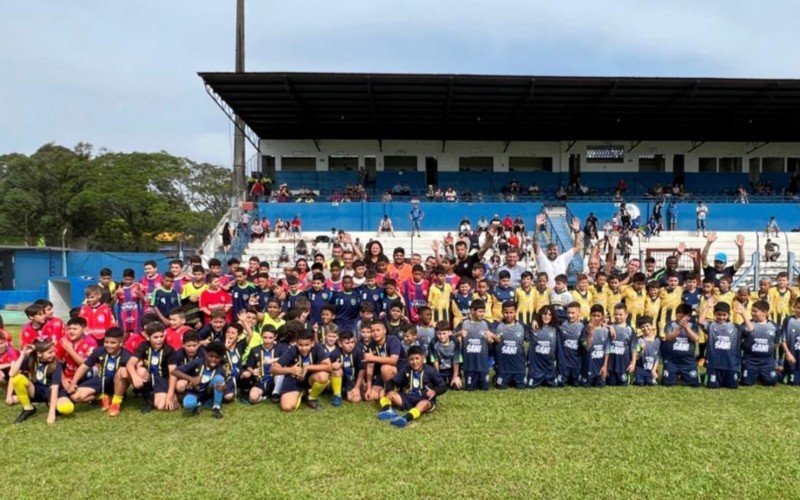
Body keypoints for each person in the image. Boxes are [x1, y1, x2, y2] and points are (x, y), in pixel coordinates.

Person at [376, 345, 447, 428]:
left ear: (423, 358)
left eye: (417, 358)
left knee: (424, 404)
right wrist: (389, 390)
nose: (414, 362)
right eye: (411, 359)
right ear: (408, 360)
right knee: (384, 392)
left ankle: (406, 418)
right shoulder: (406, 368)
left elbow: (443, 387)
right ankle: (387, 410)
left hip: (424, 398)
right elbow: (393, 381)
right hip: (407, 398)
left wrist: (435, 391)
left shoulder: (430, 370)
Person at [67, 327, 131, 416]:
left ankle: (115, 403)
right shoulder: (99, 351)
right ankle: (103, 397)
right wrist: (73, 383)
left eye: (113, 343)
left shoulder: (127, 355)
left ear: (120, 343)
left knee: (123, 371)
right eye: (106, 342)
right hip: (101, 380)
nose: (109, 345)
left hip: (117, 383)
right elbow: (84, 366)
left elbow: (130, 375)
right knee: (75, 396)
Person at [9, 338, 74, 424]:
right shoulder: (30, 359)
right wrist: (22, 355)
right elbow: (12, 374)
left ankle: (51, 403)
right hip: (37, 390)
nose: (53, 354)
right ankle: (28, 408)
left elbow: (55, 388)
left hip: (53, 391)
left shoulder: (56, 364)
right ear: (39, 353)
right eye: (50, 352)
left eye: (53, 351)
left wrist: (51, 413)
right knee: (17, 378)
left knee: (67, 408)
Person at [271, 325, 331, 412]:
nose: (303, 348)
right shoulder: (292, 350)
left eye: (307, 345)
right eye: (300, 345)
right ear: (296, 342)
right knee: (287, 407)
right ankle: (301, 392)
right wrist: (290, 370)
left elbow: (329, 366)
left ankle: (311, 398)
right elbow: (273, 369)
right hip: (293, 380)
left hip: (310, 379)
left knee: (323, 376)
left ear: (312, 343)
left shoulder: (317, 348)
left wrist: (308, 367)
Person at [172, 341, 228, 419]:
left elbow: (225, 383)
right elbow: (174, 371)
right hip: (194, 392)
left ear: (221, 358)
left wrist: (224, 387)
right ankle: (197, 405)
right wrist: (191, 378)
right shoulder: (198, 362)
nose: (213, 359)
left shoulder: (221, 369)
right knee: (188, 404)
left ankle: (216, 407)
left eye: (217, 357)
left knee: (219, 379)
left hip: (208, 394)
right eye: (211, 356)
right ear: (206, 355)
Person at [697, 300, 740, 389]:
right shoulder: (711, 325)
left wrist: (742, 313)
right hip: (714, 363)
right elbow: (700, 321)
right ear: (714, 314)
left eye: (724, 315)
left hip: (730, 364)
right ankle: (707, 374)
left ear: (728, 315)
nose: (721, 317)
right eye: (718, 314)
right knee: (712, 386)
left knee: (732, 386)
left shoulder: (735, 327)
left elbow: (750, 328)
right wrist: (707, 307)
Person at [534, 213, 583, 287]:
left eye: (554, 250)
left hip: (561, 293)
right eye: (550, 250)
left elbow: (577, 247)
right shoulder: (542, 258)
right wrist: (537, 226)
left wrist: (577, 231)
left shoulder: (563, 258)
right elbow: (535, 243)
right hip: (545, 293)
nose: (552, 251)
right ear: (546, 251)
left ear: (558, 251)